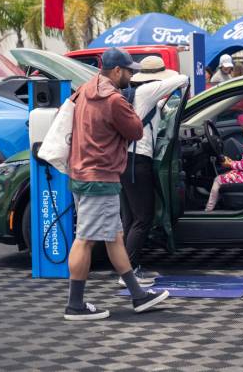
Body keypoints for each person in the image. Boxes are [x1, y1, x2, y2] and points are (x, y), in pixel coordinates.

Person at [64, 47, 169, 321]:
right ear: (117, 71)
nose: (132, 75)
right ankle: (75, 305)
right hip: (100, 175)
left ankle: (138, 296)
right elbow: (135, 130)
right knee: (85, 239)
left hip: (82, 172)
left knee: (113, 236)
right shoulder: (114, 99)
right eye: (129, 70)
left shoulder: (85, 89)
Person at [118, 56, 188, 288]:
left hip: (125, 161)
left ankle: (129, 269)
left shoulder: (137, 96)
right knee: (143, 218)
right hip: (138, 162)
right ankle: (129, 273)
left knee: (130, 219)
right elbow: (181, 79)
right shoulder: (147, 91)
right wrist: (181, 80)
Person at [205, 114, 243, 212]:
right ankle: (219, 201)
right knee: (230, 173)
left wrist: (229, 164)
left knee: (218, 179)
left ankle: (208, 209)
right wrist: (232, 162)